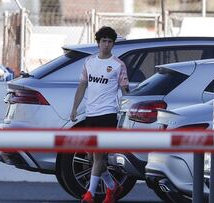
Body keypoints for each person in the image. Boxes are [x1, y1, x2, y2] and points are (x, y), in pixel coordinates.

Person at [70, 26, 130, 203]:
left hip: (108, 113)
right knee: (90, 155)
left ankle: (90, 194)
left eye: (110, 41)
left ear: (113, 44)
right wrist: (74, 108)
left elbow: (126, 89)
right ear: (98, 42)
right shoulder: (89, 62)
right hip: (91, 114)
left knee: (97, 155)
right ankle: (112, 187)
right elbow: (82, 86)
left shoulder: (118, 65)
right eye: (103, 41)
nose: (106, 44)